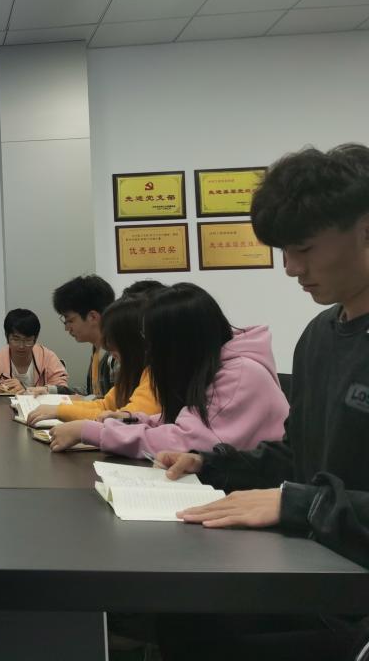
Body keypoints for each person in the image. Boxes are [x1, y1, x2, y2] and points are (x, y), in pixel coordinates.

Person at [153, 144, 369, 661]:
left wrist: (302, 503)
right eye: (283, 252)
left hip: (353, 593)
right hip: (313, 566)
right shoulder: (319, 335)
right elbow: (300, 455)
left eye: (304, 248)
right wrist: (212, 464)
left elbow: (307, 490)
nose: (291, 268)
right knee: (179, 613)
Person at [49, 283, 288, 456]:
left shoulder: (240, 374)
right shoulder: (211, 365)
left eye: (153, 341)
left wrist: (93, 432)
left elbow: (186, 441)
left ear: (179, 341)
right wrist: (132, 419)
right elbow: (182, 421)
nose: (150, 353)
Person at [25, 296, 159, 425]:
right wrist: (58, 408)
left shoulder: (150, 374)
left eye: (70, 320)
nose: (67, 328)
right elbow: (104, 404)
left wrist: (60, 411)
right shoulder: (112, 359)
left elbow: (127, 420)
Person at [51, 275, 117, 397]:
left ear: (93, 317)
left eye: (70, 320)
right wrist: (50, 390)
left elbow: (119, 404)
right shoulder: (98, 349)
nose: (67, 328)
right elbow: (92, 393)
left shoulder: (116, 355)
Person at [0, 308, 68, 395]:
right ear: (6, 336)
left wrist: (25, 391)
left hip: (41, 404)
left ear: (35, 339)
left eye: (28, 340)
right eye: (16, 339)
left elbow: (63, 390)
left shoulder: (48, 357)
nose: (21, 346)